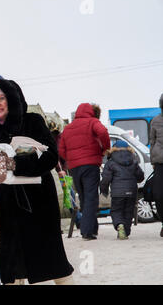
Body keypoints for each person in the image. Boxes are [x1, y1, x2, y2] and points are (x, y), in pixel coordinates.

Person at [0, 77, 74, 285]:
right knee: (12, 265)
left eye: (1, 98)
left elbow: (50, 157)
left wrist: (14, 163)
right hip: (9, 204)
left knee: (52, 259)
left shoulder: (33, 122)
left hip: (38, 204)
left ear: (12, 99)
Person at [59, 103, 110, 240]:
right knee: (91, 197)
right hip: (90, 165)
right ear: (90, 112)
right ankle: (86, 231)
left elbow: (61, 149)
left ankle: (92, 228)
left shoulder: (68, 128)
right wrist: (104, 149)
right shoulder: (93, 122)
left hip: (74, 167)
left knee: (83, 197)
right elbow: (103, 132)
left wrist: (71, 159)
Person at [100, 140, 144, 239]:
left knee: (116, 211)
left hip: (117, 193)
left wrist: (104, 189)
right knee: (129, 212)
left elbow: (106, 179)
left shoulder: (110, 163)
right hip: (132, 191)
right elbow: (140, 177)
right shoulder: (133, 161)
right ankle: (126, 233)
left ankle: (119, 224)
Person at [149, 92, 163, 237]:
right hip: (160, 162)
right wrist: (153, 160)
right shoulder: (155, 120)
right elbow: (152, 142)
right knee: (158, 194)